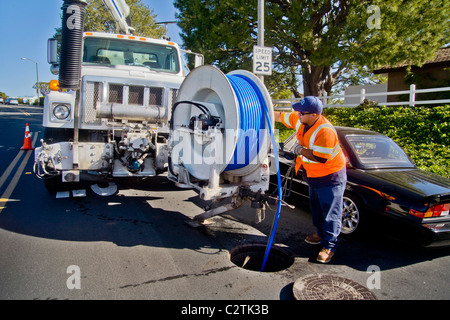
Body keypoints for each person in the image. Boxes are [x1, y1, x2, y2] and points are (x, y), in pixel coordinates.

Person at [274, 96, 347, 263]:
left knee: (331, 212)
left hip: (330, 176)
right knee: (315, 208)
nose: (298, 115)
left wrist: (300, 150)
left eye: (302, 113)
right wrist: (264, 107)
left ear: (314, 115)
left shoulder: (325, 131)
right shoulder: (300, 118)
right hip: (313, 174)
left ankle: (329, 246)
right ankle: (320, 234)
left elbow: (320, 157)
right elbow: (278, 116)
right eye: (298, 111)